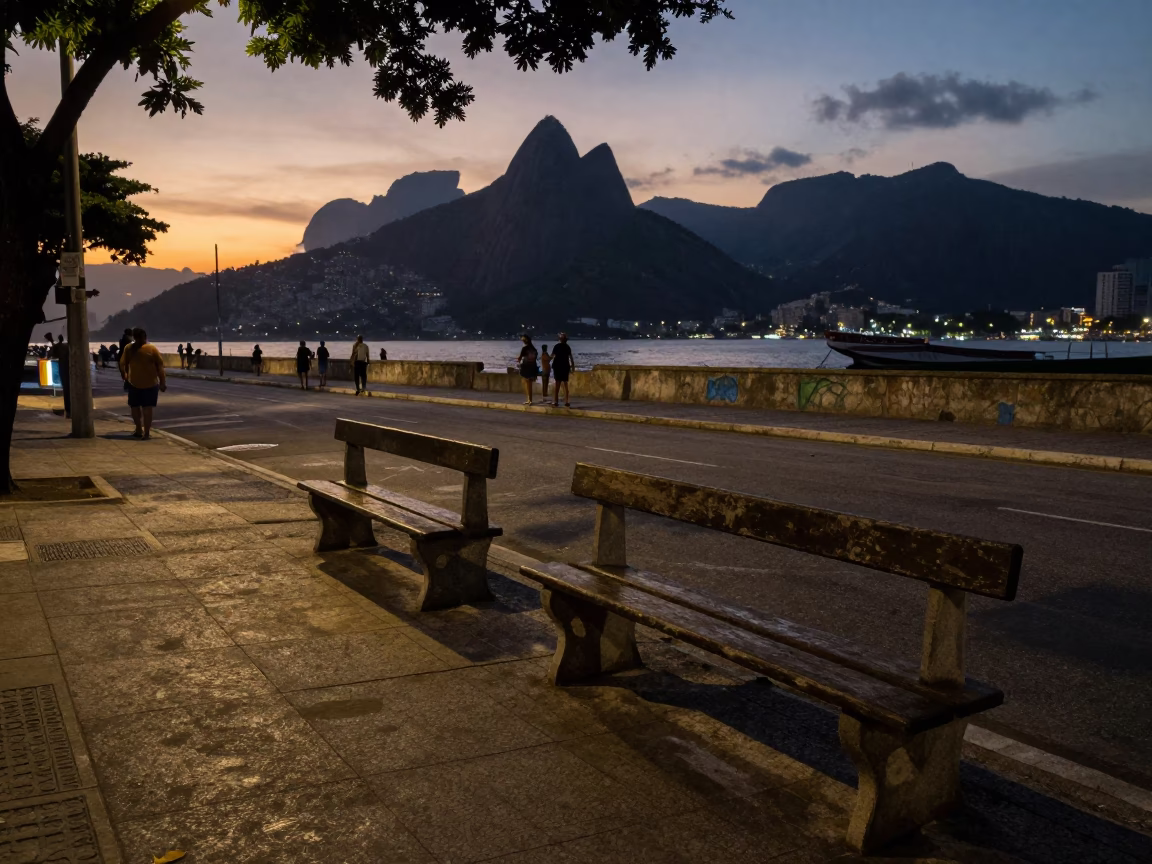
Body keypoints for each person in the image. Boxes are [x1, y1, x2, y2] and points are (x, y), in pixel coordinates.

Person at [119, 327, 166, 439]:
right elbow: (122, 364)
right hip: (136, 383)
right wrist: (124, 375)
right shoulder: (130, 348)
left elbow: (160, 367)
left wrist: (163, 382)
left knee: (145, 409)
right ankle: (140, 430)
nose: (141, 340)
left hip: (149, 384)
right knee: (137, 408)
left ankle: (145, 432)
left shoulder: (150, 349)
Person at [46, 333, 71, 418]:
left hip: (64, 366)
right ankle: (69, 411)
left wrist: (52, 343)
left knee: (67, 388)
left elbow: (51, 354)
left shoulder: (60, 346)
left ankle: (69, 411)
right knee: (68, 389)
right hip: (68, 366)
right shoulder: (66, 346)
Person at [550, 332, 574, 408]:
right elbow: (571, 358)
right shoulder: (567, 347)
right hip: (565, 367)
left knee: (557, 384)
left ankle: (556, 401)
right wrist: (573, 367)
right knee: (565, 384)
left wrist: (545, 359)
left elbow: (552, 356)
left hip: (557, 366)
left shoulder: (556, 346)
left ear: (560, 339)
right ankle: (567, 401)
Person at [516, 334, 539, 406]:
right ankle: (530, 399)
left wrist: (518, 360)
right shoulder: (534, 349)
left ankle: (529, 400)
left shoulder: (524, 348)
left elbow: (519, 358)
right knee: (530, 384)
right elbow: (535, 358)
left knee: (527, 384)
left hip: (526, 367)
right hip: (533, 367)